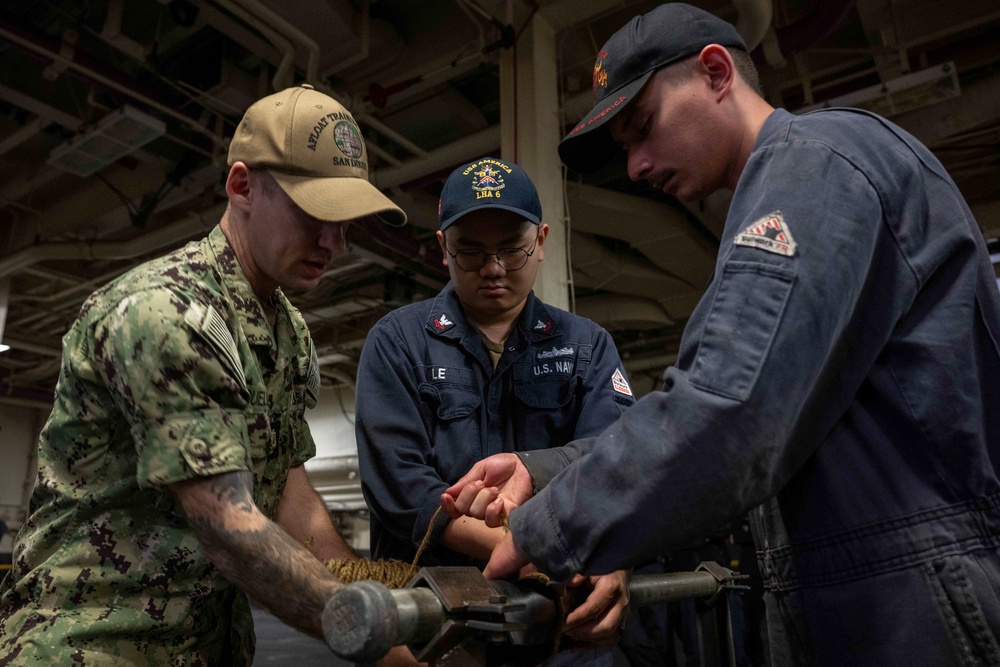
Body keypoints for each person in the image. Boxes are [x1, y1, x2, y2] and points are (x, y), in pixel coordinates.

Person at [442, 4, 1000, 665]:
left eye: (643, 129)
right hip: (867, 595)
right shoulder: (787, 191)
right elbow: (703, 405)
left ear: (714, 72)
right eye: (626, 148)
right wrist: (543, 471)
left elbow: (728, 413)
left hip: (912, 604)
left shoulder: (814, 167)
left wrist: (545, 529)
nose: (637, 167)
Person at [0, 84, 419, 666]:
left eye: (346, 221)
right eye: (316, 212)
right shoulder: (164, 310)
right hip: (90, 647)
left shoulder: (287, 333)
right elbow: (231, 530)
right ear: (242, 186)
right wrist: (373, 629)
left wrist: (399, 622)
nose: (334, 242)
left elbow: (297, 514)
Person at [355, 158, 639, 656]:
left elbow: (616, 459)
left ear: (542, 241)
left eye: (512, 249)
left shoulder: (585, 346)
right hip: (437, 629)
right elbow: (399, 487)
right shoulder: (398, 343)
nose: (494, 269)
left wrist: (614, 561)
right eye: (471, 253)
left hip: (560, 630)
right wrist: (521, 548)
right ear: (443, 248)